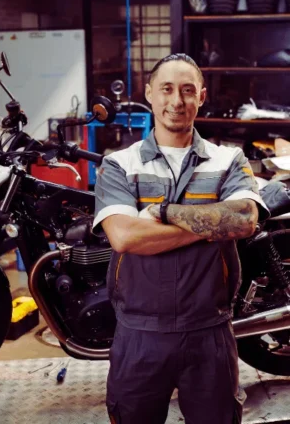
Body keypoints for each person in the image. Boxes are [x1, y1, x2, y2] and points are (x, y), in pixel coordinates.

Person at [92, 53, 270, 424]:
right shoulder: (119, 164)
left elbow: (243, 221)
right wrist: (209, 225)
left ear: (201, 97)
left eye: (188, 91)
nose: (177, 101)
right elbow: (124, 237)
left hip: (209, 331)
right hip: (140, 334)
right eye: (167, 90)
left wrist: (164, 212)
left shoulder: (228, 159)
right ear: (150, 95)